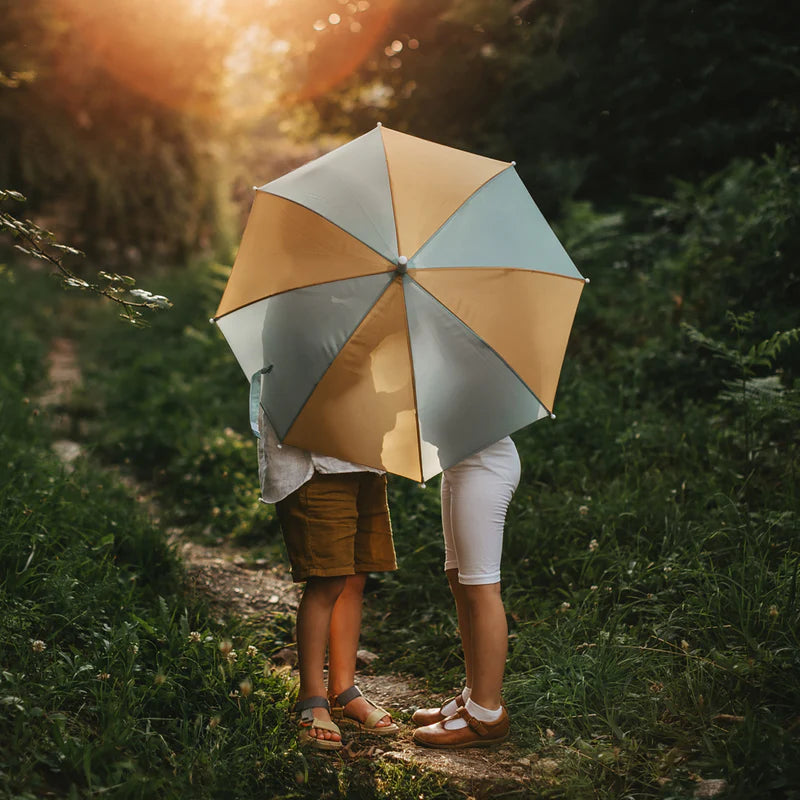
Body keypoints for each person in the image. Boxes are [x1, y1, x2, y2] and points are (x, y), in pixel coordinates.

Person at [257, 409, 400, 750]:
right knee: (327, 580)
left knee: (353, 578)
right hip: (314, 464)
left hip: (363, 456)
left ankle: (343, 689)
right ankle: (312, 696)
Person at [412, 435, 521, 749]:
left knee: (482, 588)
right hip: (457, 463)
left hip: (483, 462)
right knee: (459, 581)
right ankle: (473, 694)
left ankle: (487, 712)